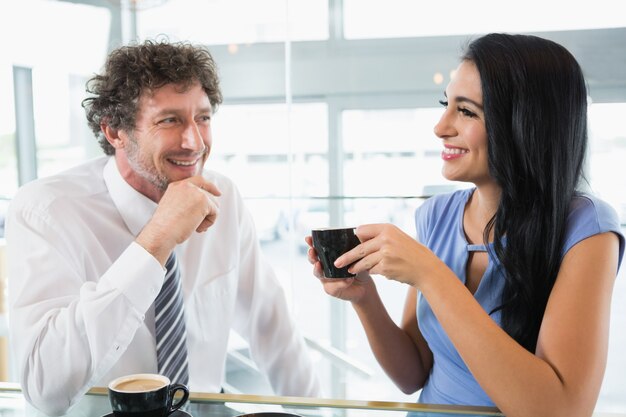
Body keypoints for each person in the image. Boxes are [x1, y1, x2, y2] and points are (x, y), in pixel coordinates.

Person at [306, 33, 624, 417]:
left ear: (525, 126)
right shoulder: (436, 215)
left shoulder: (587, 229)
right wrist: (365, 298)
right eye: (446, 105)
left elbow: (560, 410)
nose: (441, 128)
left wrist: (430, 274)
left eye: (467, 112)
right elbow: (413, 374)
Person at [7, 39, 320, 416]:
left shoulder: (223, 196)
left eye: (202, 118)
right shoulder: (46, 211)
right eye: (170, 120)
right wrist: (155, 241)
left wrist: (317, 412)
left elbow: (272, 329)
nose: (193, 142)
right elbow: (44, 385)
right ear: (114, 131)